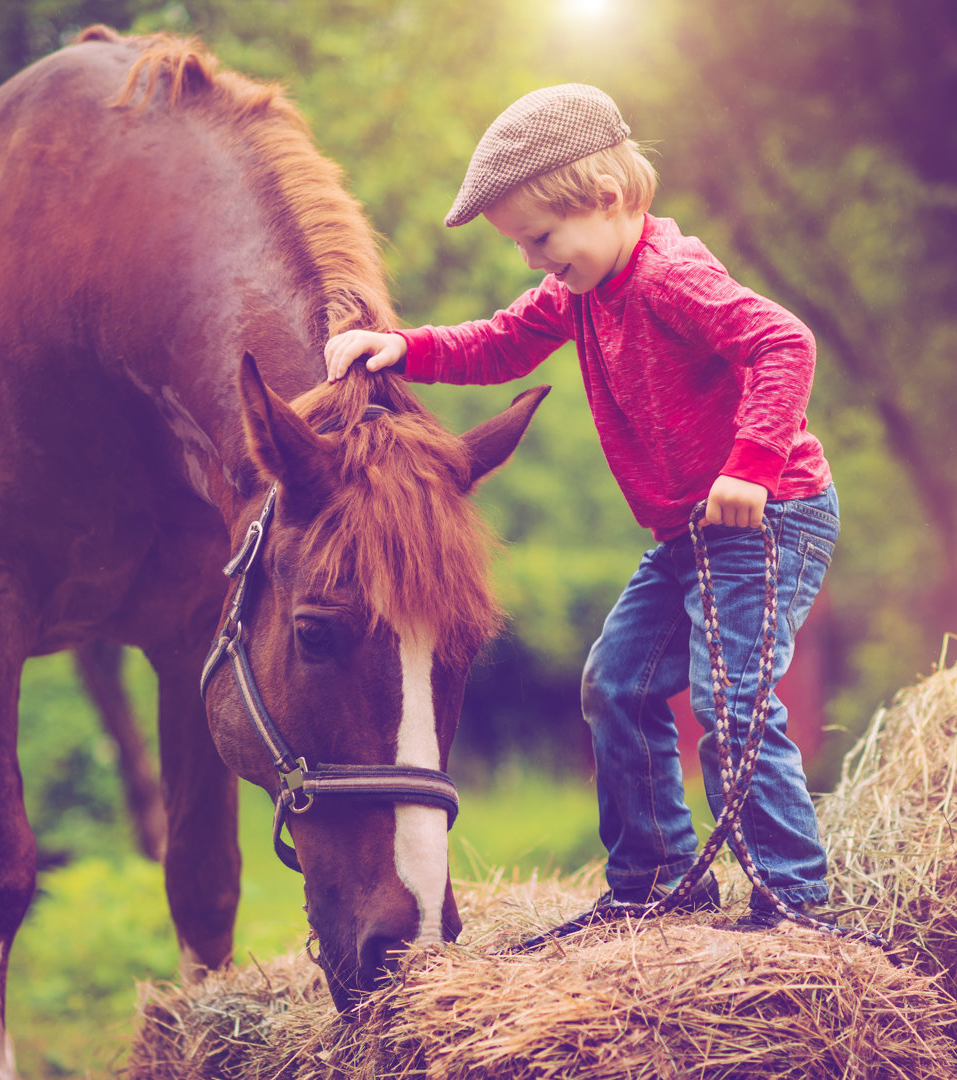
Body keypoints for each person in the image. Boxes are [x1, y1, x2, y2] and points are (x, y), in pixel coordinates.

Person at [324, 84, 838, 929]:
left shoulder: (672, 277)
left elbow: (783, 341)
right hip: (688, 537)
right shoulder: (581, 294)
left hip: (767, 516)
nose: (532, 261)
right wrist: (405, 348)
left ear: (603, 199)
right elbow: (498, 340)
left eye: (539, 238)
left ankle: (795, 898)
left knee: (730, 700)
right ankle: (660, 877)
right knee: (615, 684)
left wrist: (750, 465)